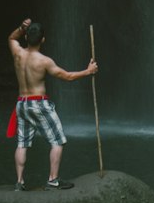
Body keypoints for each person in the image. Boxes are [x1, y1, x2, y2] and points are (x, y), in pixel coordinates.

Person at [6, 17, 98, 190]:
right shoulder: (44, 61)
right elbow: (67, 76)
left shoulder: (17, 53)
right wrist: (88, 71)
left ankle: (19, 182)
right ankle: (53, 179)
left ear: (26, 37)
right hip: (39, 104)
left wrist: (20, 27)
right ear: (43, 40)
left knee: (22, 143)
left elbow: (11, 38)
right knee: (57, 140)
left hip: (22, 104)